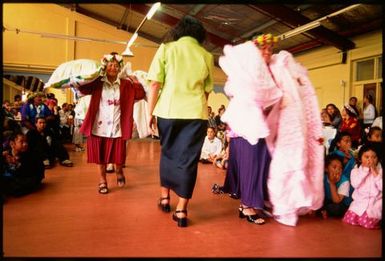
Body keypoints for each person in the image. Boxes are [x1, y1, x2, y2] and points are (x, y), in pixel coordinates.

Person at [147, 15, 214, 227]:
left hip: (168, 110)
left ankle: (165, 198)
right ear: (199, 35)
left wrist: (150, 113)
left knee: (167, 153)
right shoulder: (206, 55)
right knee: (188, 161)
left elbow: (155, 84)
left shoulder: (166, 49)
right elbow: (206, 91)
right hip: (195, 114)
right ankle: (182, 210)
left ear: (179, 31)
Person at [218, 34, 284, 225]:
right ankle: (247, 204)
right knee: (252, 164)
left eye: (271, 49)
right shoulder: (250, 69)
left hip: (256, 125)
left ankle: (250, 202)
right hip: (246, 125)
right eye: (265, 49)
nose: (268, 52)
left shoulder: (265, 71)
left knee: (261, 163)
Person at [78, 52, 145, 194]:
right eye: (110, 64)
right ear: (105, 66)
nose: (113, 67)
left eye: (116, 65)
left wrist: (134, 79)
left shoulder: (126, 84)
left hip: (117, 126)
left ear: (120, 68)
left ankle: (119, 171)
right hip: (99, 126)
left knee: (119, 155)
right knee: (100, 156)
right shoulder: (97, 82)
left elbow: (140, 94)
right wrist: (89, 76)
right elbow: (82, 89)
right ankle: (102, 181)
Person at [342, 144, 382, 229]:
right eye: (366, 157)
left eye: (374, 157)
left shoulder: (380, 172)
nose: (370, 160)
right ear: (360, 159)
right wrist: (365, 171)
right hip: (359, 202)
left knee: (368, 223)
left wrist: (375, 174)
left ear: (378, 159)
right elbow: (355, 184)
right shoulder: (355, 171)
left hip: (374, 203)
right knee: (349, 219)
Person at [1, 132, 44, 197]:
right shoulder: (6, 154)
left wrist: (17, 164)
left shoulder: (32, 155)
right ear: (12, 144)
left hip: (28, 179)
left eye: (26, 141)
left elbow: (32, 174)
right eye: (21, 142)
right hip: (13, 180)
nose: (25, 144)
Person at [319, 154, 351, 219]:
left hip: (341, 203)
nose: (337, 170)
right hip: (328, 201)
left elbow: (337, 201)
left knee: (337, 208)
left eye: (340, 168)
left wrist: (332, 184)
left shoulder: (344, 181)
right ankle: (324, 211)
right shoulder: (322, 178)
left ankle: (325, 211)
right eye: (334, 167)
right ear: (326, 169)